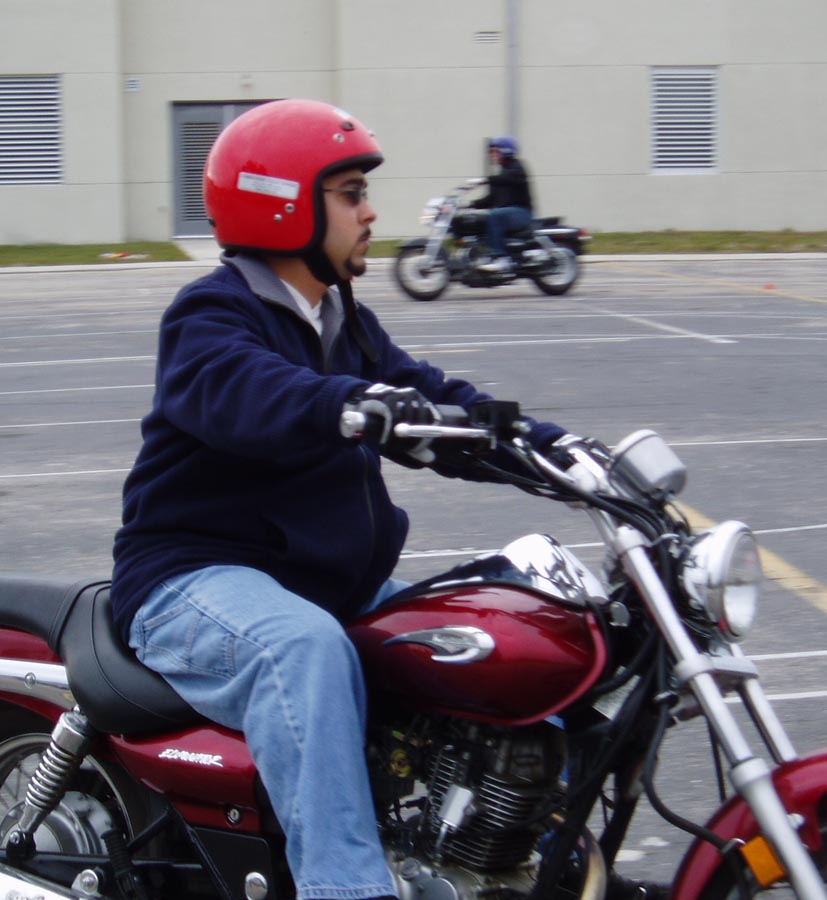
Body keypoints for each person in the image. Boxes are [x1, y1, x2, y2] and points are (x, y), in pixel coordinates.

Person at [111, 99, 581, 900]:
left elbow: (438, 399)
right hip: (191, 578)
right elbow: (249, 391)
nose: (370, 213)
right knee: (303, 650)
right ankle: (346, 887)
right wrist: (350, 402)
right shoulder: (211, 314)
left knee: (502, 638)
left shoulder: (342, 322)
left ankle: (508, 862)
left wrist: (556, 452)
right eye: (352, 193)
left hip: (320, 583)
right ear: (284, 204)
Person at [470, 135, 535, 274]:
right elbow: (491, 199)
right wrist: (469, 205)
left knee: (495, 215)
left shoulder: (517, 167)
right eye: (492, 152)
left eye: (495, 151)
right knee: (479, 219)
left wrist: (486, 180)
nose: (493, 155)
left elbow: (510, 178)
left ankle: (500, 258)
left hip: (522, 212)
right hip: (509, 213)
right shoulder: (501, 173)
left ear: (506, 151)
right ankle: (483, 255)